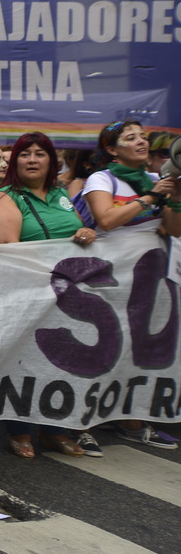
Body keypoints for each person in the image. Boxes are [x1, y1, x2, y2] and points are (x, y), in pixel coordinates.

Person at [0, 131, 98, 459]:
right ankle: (19, 431)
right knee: (25, 362)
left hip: (67, 292)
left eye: (40, 154)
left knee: (63, 361)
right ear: (15, 162)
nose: (32, 160)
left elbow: (75, 230)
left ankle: (54, 431)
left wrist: (86, 232)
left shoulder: (60, 193)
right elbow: (10, 251)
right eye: (25, 154)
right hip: (28, 292)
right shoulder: (6, 197)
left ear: (52, 160)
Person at [83, 120, 181, 449]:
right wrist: (150, 197)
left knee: (138, 350)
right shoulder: (102, 179)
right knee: (104, 346)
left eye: (143, 137)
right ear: (112, 149)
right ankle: (81, 421)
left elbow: (174, 230)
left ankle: (132, 421)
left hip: (150, 277)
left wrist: (174, 198)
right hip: (111, 277)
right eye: (130, 138)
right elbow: (106, 219)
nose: (141, 142)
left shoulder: (155, 179)